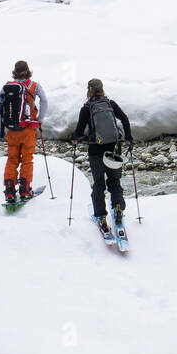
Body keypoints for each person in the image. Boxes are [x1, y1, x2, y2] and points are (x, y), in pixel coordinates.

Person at [71, 78, 133, 243]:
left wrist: (75, 139)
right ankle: (118, 210)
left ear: (89, 90)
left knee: (99, 183)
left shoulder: (87, 108)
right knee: (114, 181)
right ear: (102, 89)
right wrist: (129, 138)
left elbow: (79, 130)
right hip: (114, 149)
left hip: (96, 151)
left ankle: (101, 217)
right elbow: (125, 119)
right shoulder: (110, 104)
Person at [0, 60, 47, 204]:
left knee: (12, 159)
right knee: (27, 159)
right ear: (28, 71)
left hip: (12, 130)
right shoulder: (34, 86)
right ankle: (25, 189)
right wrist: (39, 119)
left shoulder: (8, 87)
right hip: (28, 130)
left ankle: (9, 191)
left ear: (14, 72)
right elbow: (44, 101)